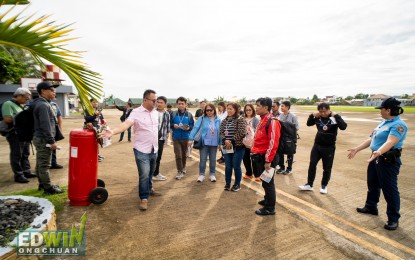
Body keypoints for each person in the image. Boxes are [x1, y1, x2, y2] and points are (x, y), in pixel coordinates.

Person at [347, 97, 407, 231]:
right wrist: (357, 149)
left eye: (382, 109)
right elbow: (371, 138)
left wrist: (379, 152)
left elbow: (391, 142)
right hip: (375, 157)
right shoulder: (383, 123)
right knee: (372, 183)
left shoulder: (399, 125)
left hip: (387, 159)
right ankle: (371, 206)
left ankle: (393, 219)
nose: (380, 111)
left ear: (388, 110)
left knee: (389, 189)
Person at [104, 89, 161, 211]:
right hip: (141, 150)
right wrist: (113, 131)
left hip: (153, 149)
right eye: (154, 100)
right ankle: (144, 198)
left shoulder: (155, 113)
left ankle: (150, 189)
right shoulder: (136, 112)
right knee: (144, 175)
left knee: (151, 172)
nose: (156, 103)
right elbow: (125, 124)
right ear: (145, 100)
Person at [299, 103, 347, 194]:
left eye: (325, 111)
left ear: (329, 110)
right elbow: (309, 124)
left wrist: (336, 116)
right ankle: (309, 184)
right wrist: (312, 115)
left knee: (327, 168)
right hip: (317, 146)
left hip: (329, 147)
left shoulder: (333, 118)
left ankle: (324, 185)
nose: (323, 113)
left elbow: (343, 127)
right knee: (312, 164)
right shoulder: (318, 117)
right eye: (321, 112)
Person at [31, 81, 64, 194]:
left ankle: (43, 184)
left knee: (40, 163)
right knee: (45, 165)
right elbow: (45, 126)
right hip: (44, 139)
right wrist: (51, 141)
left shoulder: (38, 103)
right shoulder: (43, 105)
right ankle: (48, 189)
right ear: (43, 91)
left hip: (39, 137)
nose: (54, 92)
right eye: (51, 90)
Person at [250, 97, 281, 215]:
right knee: (264, 181)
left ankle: (270, 208)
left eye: (258, 105)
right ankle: (267, 199)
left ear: (266, 107)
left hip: (268, 157)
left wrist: (268, 160)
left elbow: (273, 143)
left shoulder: (272, 121)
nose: (256, 107)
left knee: (268, 183)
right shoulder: (262, 119)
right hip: (260, 155)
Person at [1, 88, 36, 183]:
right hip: (14, 134)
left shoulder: (21, 105)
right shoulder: (8, 104)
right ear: (19, 95)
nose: (27, 100)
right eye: (26, 98)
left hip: (23, 134)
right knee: (17, 155)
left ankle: (26, 171)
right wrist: (23, 118)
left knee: (25, 154)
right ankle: (18, 175)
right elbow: (7, 119)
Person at [188, 103, 221, 182]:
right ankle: (201, 174)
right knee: (203, 159)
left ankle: (212, 174)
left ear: (214, 110)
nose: (209, 112)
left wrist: (220, 143)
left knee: (213, 159)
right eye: (207, 110)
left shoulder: (218, 120)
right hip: (204, 142)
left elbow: (220, 132)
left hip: (214, 143)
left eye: (211, 110)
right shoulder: (202, 118)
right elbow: (195, 128)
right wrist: (190, 138)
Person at [220, 102, 246, 192]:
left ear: (236, 110)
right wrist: (225, 140)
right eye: (228, 109)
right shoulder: (224, 120)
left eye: (231, 109)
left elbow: (242, 132)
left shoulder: (240, 119)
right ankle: (227, 183)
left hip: (238, 147)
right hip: (226, 147)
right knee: (228, 166)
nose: (229, 110)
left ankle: (237, 184)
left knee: (236, 166)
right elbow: (221, 132)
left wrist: (231, 141)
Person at [170, 97, 194, 180]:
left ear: (185, 104)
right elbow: (170, 124)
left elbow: (192, 125)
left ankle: (183, 167)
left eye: (182, 103)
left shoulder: (189, 115)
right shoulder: (173, 114)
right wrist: (173, 126)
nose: (181, 105)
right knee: (178, 155)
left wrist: (188, 128)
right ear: (177, 104)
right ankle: (179, 171)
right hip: (176, 138)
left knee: (184, 155)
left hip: (185, 137)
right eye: (179, 103)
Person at [276, 101, 299, 175]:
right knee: (280, 152)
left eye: (283, 106)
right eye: (281, 106)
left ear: (287, 107)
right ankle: (282, 167)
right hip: (282, 137)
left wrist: (290, 132)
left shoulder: (293, 116)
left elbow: (297, 127)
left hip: (290, 138)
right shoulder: (280, 116)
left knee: (290, 153)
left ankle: (289, 169)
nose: (281, 108)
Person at [153, 96, 170, 181]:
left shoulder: (167, 114)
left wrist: (166, 139)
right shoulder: (152, 112)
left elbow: (167, 127)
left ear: (165, 104)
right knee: (151, 157)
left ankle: (156, 173)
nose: (159, 104)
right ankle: (150, 174)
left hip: (161, 138)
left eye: (161, 103)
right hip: (151, 138)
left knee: (158, 157)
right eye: (158, 102)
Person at [242, 104, 260, 181]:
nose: (248, 111)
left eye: (250, 110)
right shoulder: (242, 118)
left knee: (254, 159)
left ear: (253, 110)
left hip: (253, 142)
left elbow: (258, 130)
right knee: (245, 158)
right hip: (244, 142)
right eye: (247, 110)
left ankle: (257, 175)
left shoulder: (256, 119)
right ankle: (249, 173)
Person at [50, 101, 64, 169]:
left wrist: (60, 129)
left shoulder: (54, 104)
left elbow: (59, 116)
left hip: (54, 130)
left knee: (54, 146)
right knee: (45, 149)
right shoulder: (40, 104)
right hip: (44, 131)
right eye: (52, 90)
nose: (54, 93)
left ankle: (53, 163)